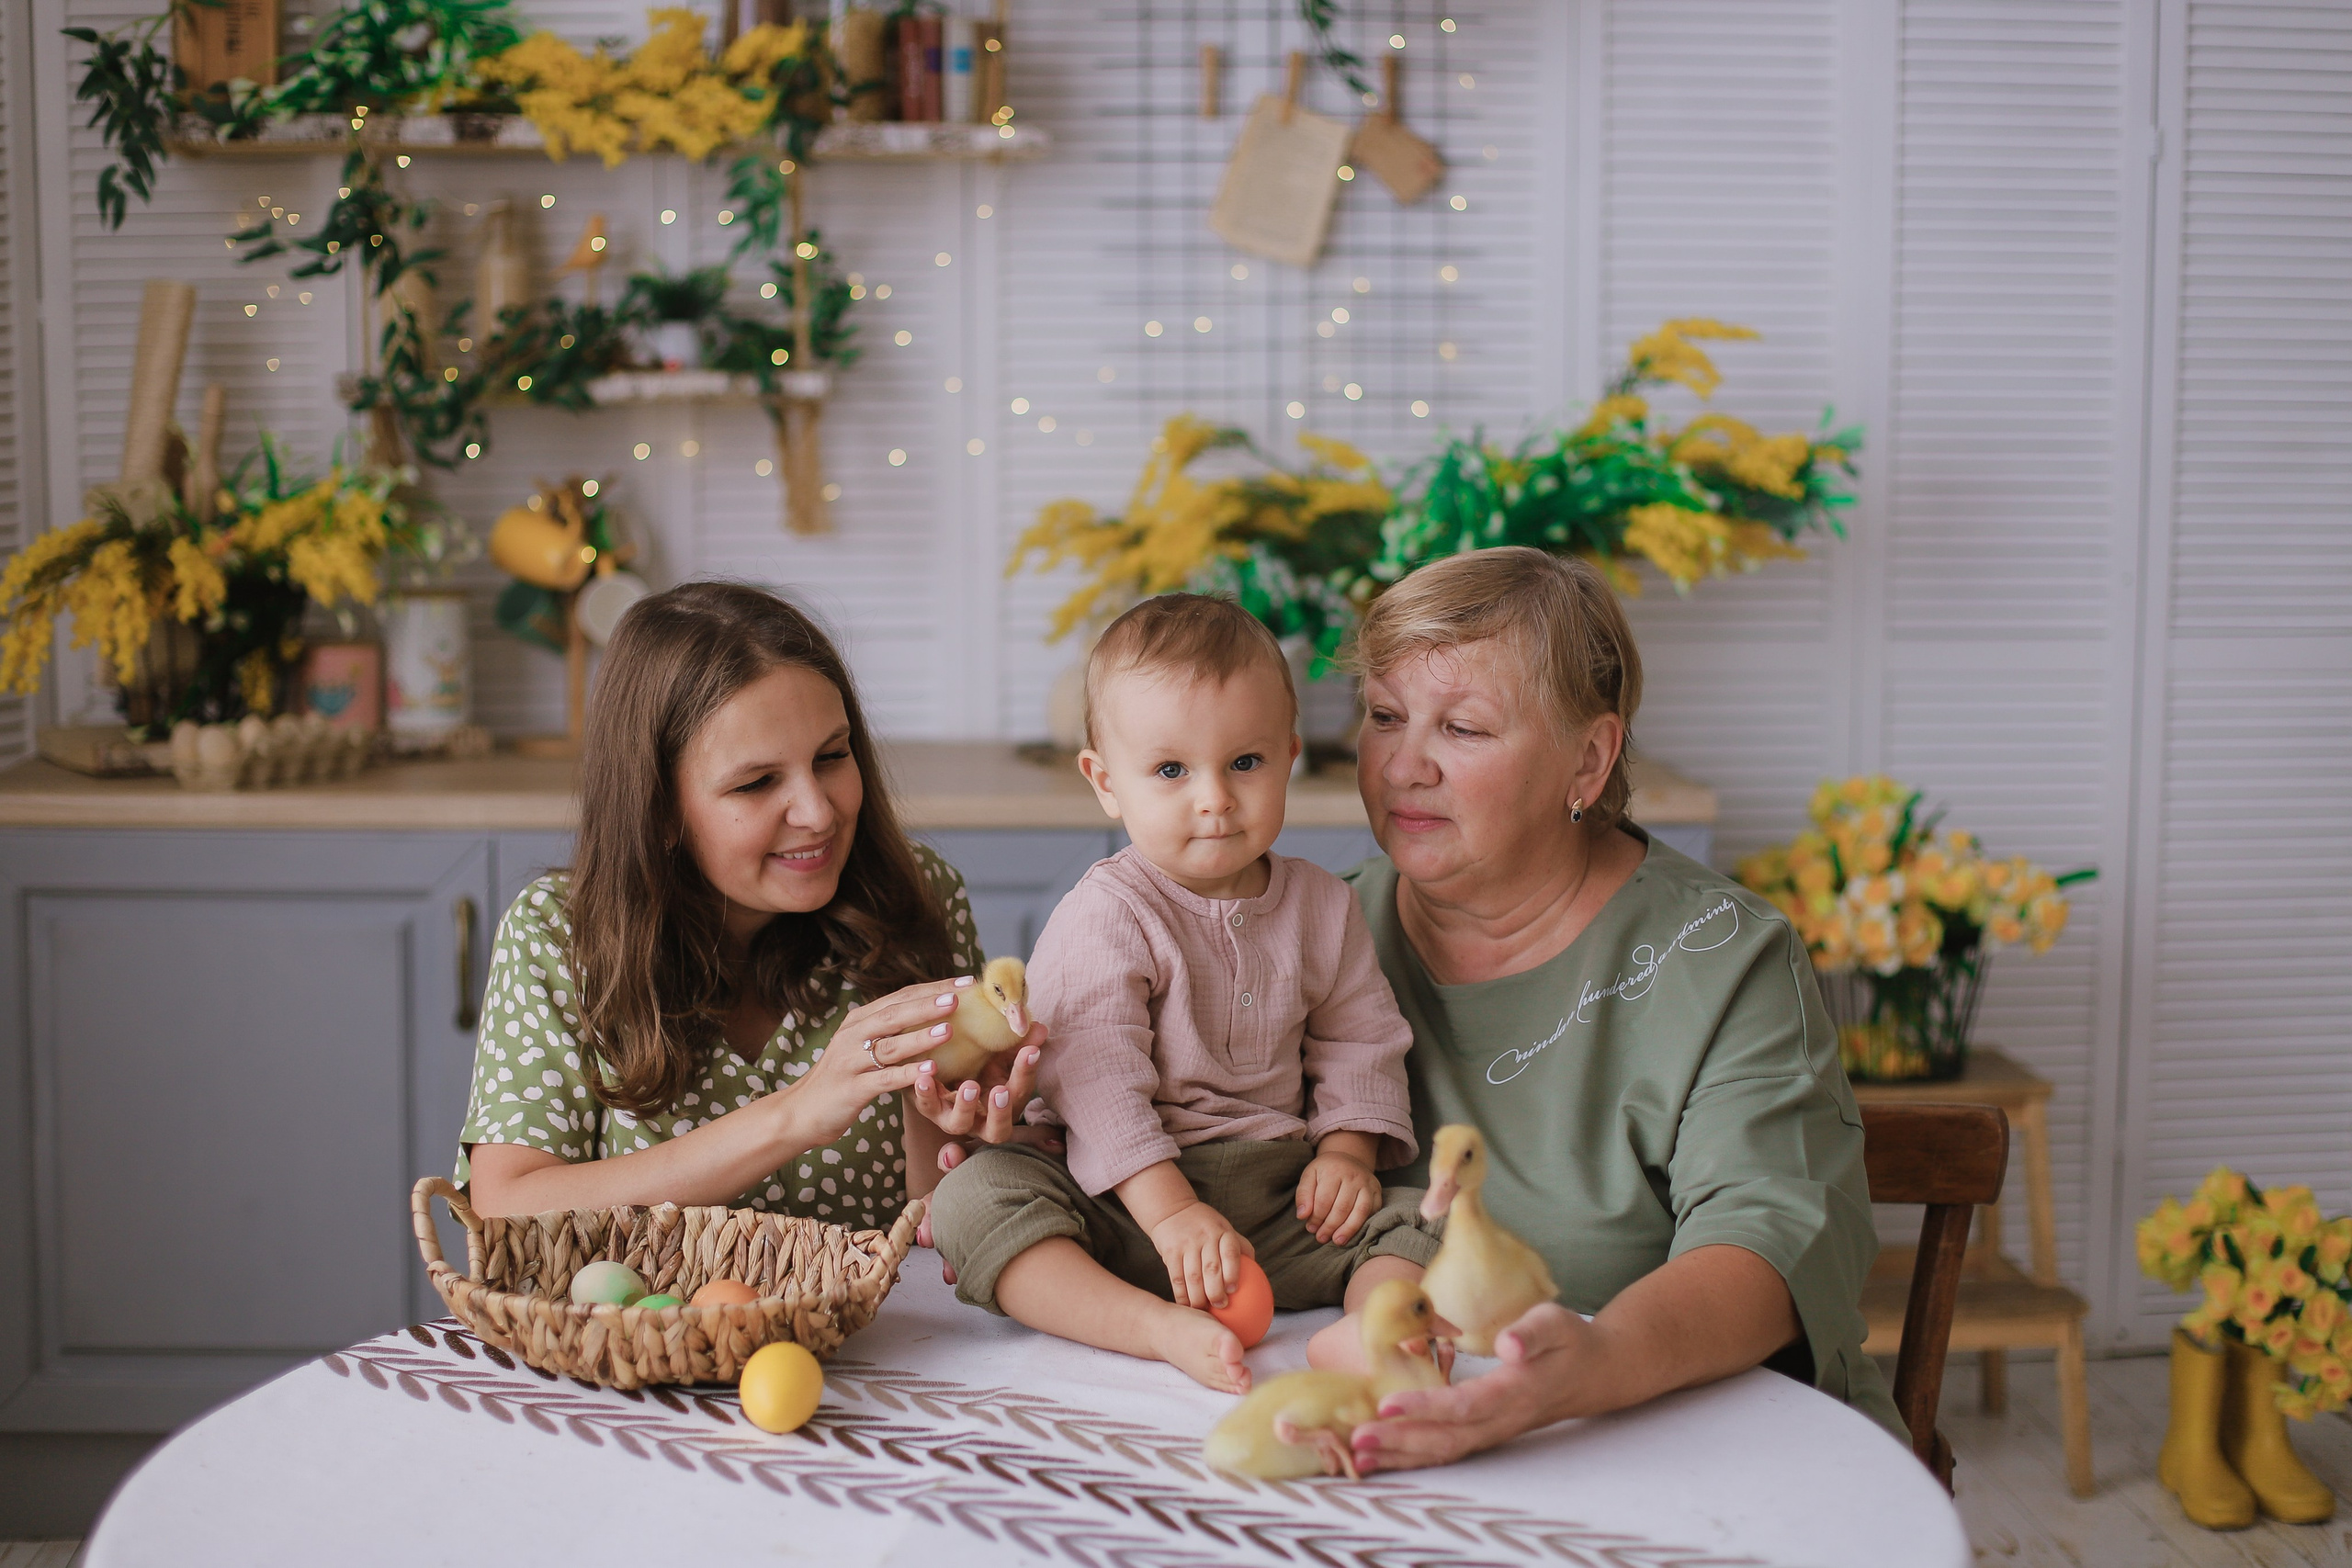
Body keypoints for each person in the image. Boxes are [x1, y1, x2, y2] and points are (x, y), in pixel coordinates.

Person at [1309, 547, 1905, 1472]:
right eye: (1384, 717)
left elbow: (1767, 1236)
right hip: (1390, 1442)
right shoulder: (1310, 934)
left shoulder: (1724, 955)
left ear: (1587, 760)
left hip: (1676, 1438)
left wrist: (1599, 1361)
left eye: (1461, 728)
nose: (1402, 766)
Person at [927, 594, 1439, 1393]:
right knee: (972, 1199)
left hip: (1278, 1204)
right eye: (1171, 770)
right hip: (1123, 1206)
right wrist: (1169, 1213)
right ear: (1105, 781)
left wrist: (1346, 1153)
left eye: (1245, 763)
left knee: (1422, 1218)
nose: (1215, 798)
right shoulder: (1108, 911)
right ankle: (1149, 1325)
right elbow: (1095, 1080)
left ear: (1289, 757)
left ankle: (1372, 1335)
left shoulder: (1323, 905)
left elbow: (1361, 1038)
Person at [457, 581, 1044, 1224]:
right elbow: (507, 1207)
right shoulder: (559, 933)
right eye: (757, 782)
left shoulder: (916, 894)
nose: (818, 812)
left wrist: (964, 1122)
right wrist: (793, 1116)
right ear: (659, 809)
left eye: (831, 756)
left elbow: (938, 1227)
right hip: (640, 1327)